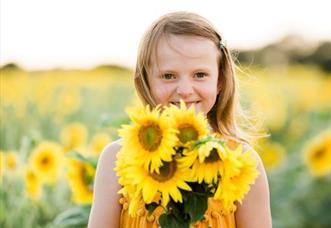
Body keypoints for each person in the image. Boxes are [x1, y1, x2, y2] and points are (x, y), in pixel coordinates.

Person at [88, 11, 272, 228]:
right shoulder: (116, 160)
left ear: (220, 81)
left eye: (200, 75)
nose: (185, 90)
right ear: (145, 81)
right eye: (168, 76)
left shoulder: (243, 163)